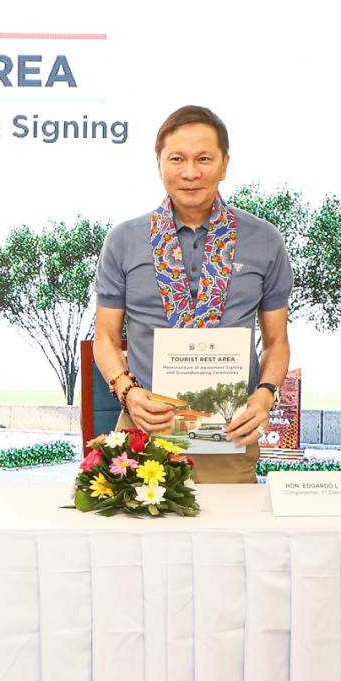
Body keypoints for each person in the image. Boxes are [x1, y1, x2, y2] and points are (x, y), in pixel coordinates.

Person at [91, 105, 292, 483]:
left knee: (231, 540)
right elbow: (104, 337)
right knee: (139, 542)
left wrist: (265, 396)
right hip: (145, 430)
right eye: (177, 159)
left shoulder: (264, 240)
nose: (190, 172)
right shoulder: (124, 240)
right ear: (159, 163)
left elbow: (277, 341)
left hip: (230, 434)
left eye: (203, 158)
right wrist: (127, 392)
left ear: (225, 163)